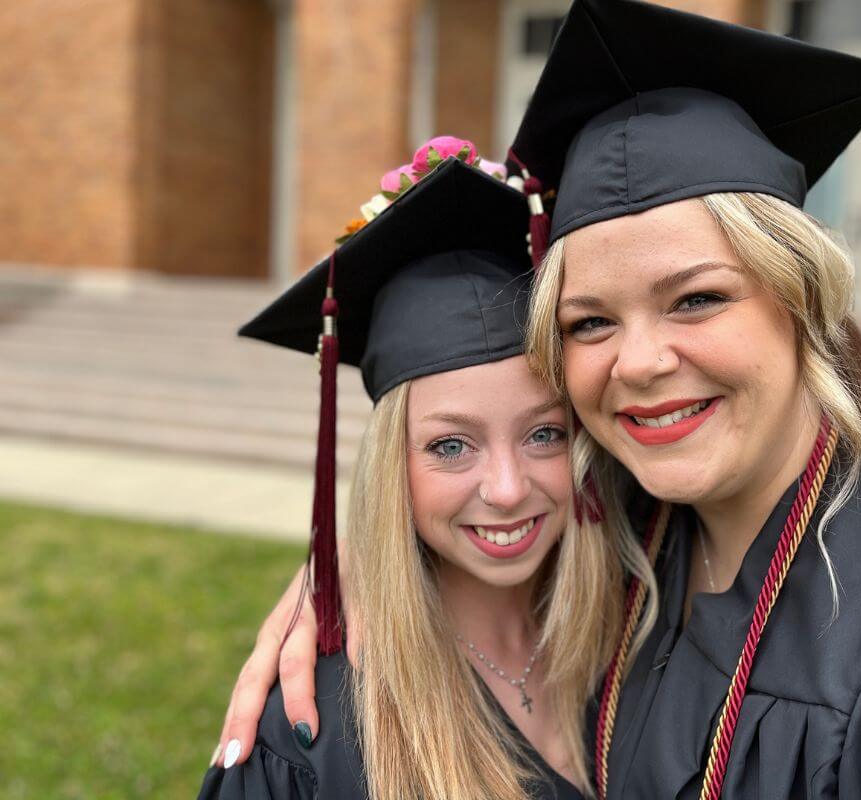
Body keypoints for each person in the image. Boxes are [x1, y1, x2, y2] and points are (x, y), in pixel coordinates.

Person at [220, 2, 861, 797]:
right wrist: (358, 570)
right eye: (591, 322)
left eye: (698, 297)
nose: (642, 361)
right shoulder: (635, 561)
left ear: (800, 301)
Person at [200, 152, 651, 800]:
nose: (506, 488)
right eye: (450, 446)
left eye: (544, 433)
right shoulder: (318, 731)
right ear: (392, 468)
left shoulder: (645, 627)